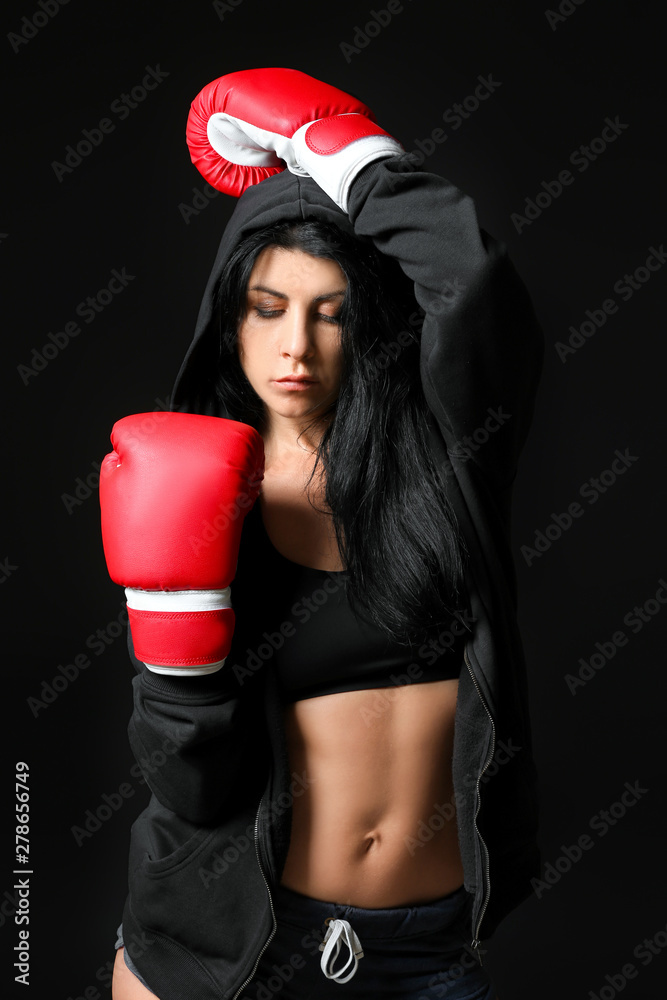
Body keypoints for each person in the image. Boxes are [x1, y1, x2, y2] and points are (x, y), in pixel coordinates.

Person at [103, 68, 544, 1000]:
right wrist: (174, 668)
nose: (295, 344)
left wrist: (347, 156)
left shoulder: (444, 456)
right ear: (231, 319)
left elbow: (473, 286)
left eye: (331, 311)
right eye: (268, 308)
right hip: (236, 954)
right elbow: (195, 792)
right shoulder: (190, 490)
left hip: (428, 953)